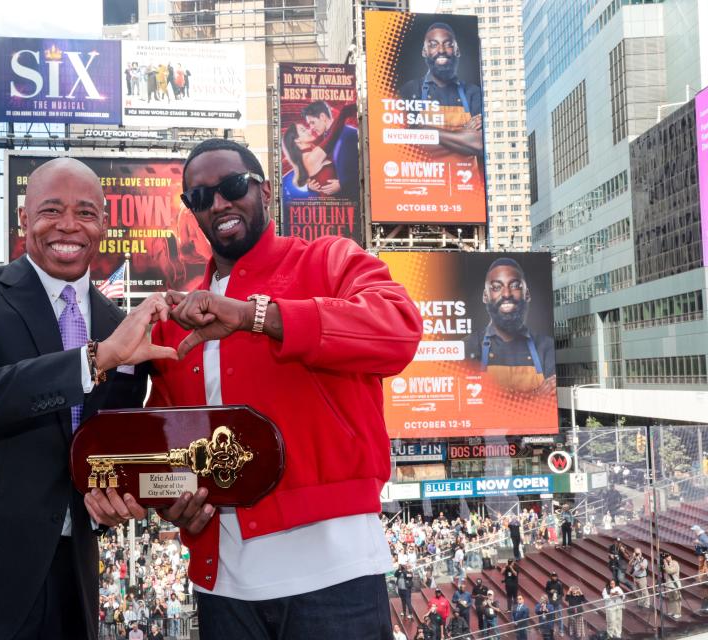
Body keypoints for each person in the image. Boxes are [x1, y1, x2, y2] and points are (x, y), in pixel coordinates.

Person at [0, 158, 177, 640]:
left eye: (85, 212)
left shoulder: (122, 328)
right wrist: (94, 359)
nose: (68, 225)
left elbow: (112, 449)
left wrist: (124, 497)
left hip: (71, 583)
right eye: (51, 210)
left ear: (104, 224)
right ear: (23, 219)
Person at [146, 138, 421, 639]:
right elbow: (165, 445)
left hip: (337, 575)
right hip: (222, 588)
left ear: (265, 190)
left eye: (232, 186)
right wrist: (169, 500)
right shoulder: (176, 318)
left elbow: (399, 330)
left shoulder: (330, 259)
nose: (219, 203)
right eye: (200, 198)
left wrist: (257, 316)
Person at [464, 258, 556, 395]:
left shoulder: (546, 346)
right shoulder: (467, 346)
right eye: (496, 287)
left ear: (527, 294)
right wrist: (536, 395)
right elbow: (466, 397)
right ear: (485, 296)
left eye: (514, 286)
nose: (506, 294)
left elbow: (550, 398)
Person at [397, 22, 483, 159]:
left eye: (448, 44)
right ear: (424, 52)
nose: (441, 50)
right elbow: (403, 141)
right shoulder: (410, 90)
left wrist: (425, 130)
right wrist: (463, 135)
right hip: (423, 179)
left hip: (466, 179)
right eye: (433, 44)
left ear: (457, 51)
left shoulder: (472, 93)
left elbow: (478, 143)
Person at [280, 104, 359, 200]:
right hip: (335, 205)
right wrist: (343, 113)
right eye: (304, 130)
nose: (310, 130)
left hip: (339, 203)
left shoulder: (310, 153)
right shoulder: (311, 157)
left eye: (311, 123)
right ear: (297, 140)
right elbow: (332, 137)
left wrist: (309, 187)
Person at [301, 100, 360, 201]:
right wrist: (310, 186)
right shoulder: (321, 141)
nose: (311, 128)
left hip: (351, 204)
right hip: (330, 206)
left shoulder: (349, 134)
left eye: (312, 122)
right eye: (309, 124)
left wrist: (343, 184)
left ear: (323, 117)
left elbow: (364, 167)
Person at [663, 552, 683, 620]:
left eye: (668, 556)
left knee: (676, 599)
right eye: (666, 557)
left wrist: (665, 564)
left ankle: (678, 613)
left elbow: (670, 571)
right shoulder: (666, 564)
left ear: (670, 556)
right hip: (669, 584)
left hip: (675, 584)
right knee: (671, 599)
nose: (667, 558)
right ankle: (672, 611)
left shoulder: (675, 563)